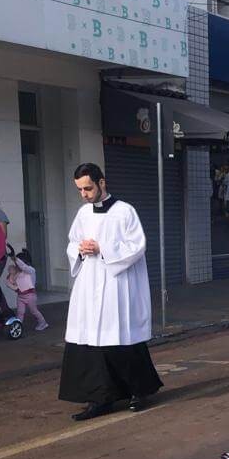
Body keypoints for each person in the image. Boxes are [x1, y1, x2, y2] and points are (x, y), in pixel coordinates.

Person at [58, 163, 162, 421]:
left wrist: (103, 249)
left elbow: (137, 246)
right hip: (89, 284)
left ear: (102, 183)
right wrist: (80, 248)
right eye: (80, 189)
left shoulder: (125, 211)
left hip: (117, 285)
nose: (84, 194)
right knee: (90, 344)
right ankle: (99, 399)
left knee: (120, 340)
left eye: (88, 188)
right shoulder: (83, 213)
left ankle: (138, 392)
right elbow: (72, 242)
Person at [6, 249, 49, 332]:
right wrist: (11, 275)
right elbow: (12, 282)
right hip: (20, 296)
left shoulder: (31, 270)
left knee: (34, 311)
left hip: (30, 296)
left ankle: (43, 323)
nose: (16, 265)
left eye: (17, 263)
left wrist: (15, 258)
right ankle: (18, 326)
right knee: (20, 312)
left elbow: (23, 266)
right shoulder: (18, 272)